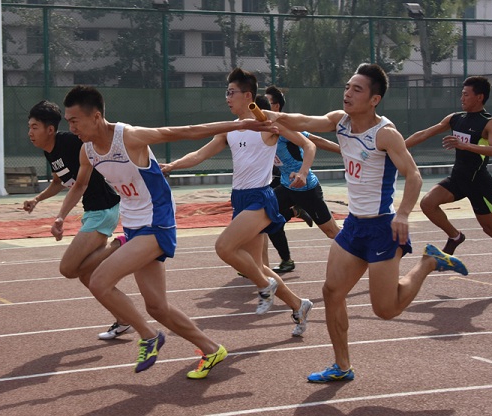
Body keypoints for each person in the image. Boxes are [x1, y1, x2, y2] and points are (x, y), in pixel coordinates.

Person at [52, 85, 277, 379]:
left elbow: (186, 130)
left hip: (158, 221)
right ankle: (211, 349)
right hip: (133, 224)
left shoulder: (129, 137)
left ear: (95, 117)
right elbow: (80, 185)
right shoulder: (88, 151)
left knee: (99, 280)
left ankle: (148, 337)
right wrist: (60, 215)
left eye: (74, 121)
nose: (71, 128)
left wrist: (245, 123)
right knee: (157, 306)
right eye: (68, 122)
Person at [263, 63, 469, 382]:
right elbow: (306, 121)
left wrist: (402, 214)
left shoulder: (385, 134)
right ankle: (342, 366)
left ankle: (429, 262)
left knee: (385, 310)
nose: (348, 93)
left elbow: (413, 175)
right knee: (332, 292)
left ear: (375, 99)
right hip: (354, 226)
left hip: (383, 228)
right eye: (347, 87)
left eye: (357, 89)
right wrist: (274, 117)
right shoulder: (340, 122)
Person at [162, 68, 316, 337]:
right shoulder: (232, 129)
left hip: (261, 197)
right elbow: (200, 154)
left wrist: (302, 172)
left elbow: (308, 144)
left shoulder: (268, 123)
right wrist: (173, 165)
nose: (227, 98)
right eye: (226, 92)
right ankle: (298, 304)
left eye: (231, 92)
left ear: (248, 95)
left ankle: (264, 287)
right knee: (258, 266)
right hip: (240, 199)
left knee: (224, 247)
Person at [24, 100, 133, 341]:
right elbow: (58, 182)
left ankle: (120, 244)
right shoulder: (49, 150)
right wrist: (37, 199)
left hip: (104, 209)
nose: (30, 132)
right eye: (29, 127)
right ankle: (124, 320)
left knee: (68, 268)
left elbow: (82, 181)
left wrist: (60, 217)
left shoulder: (71, 142)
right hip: (93, 211)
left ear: (49, 130)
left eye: (34, 127)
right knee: (88, 276)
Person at [405, 76, 492, 289]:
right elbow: (425, 133)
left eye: (466, 94)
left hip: (479, 183)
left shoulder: (490, 123)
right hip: (458, 179)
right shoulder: (455, 118)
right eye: (462, 94)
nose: (462, 97)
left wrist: (465, 145)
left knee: (491, 229)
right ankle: (455, 235)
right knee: (427, 204)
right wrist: (397, 147)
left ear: (479, 97)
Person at [263, 86, 341, 274]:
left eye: (268, 103)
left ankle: (364, 252)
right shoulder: (262, 128)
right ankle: (263, 268)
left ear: (277, 107)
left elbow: (313, 142)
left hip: (306, 188)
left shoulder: (287, 127)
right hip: (285, 185)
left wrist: (345, 152)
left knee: (333, 232)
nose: (262, 107)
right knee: (264, 214)